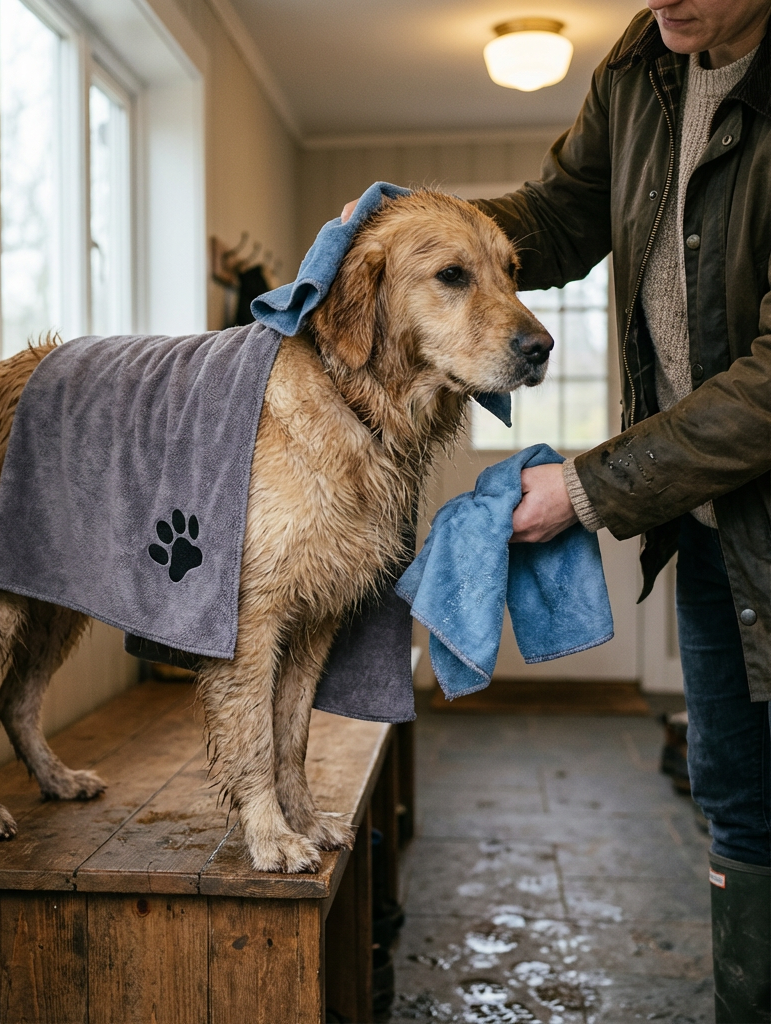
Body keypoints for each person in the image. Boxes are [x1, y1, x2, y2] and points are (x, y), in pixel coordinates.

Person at [342, 1, 771, 1018]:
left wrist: (582, 488)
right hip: (711, 521)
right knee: (741, 809)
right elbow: (559, 215)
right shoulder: (640, 65)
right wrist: (405, 242)